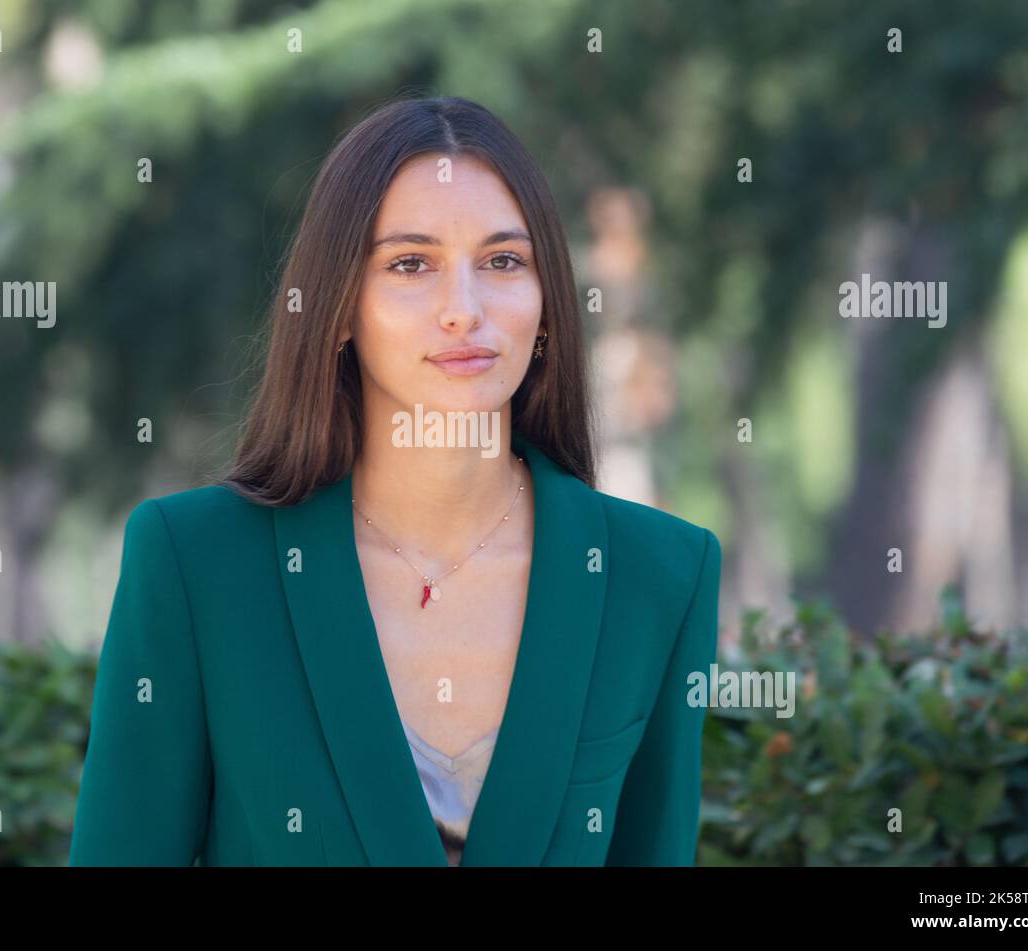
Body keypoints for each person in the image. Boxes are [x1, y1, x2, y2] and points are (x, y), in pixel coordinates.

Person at [68, 95, 722, 867]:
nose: (464, 310)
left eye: (503, 261)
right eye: (411, 263)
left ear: (546, 306)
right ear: (339, 308)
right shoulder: (196, 563)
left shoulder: (658, 574)